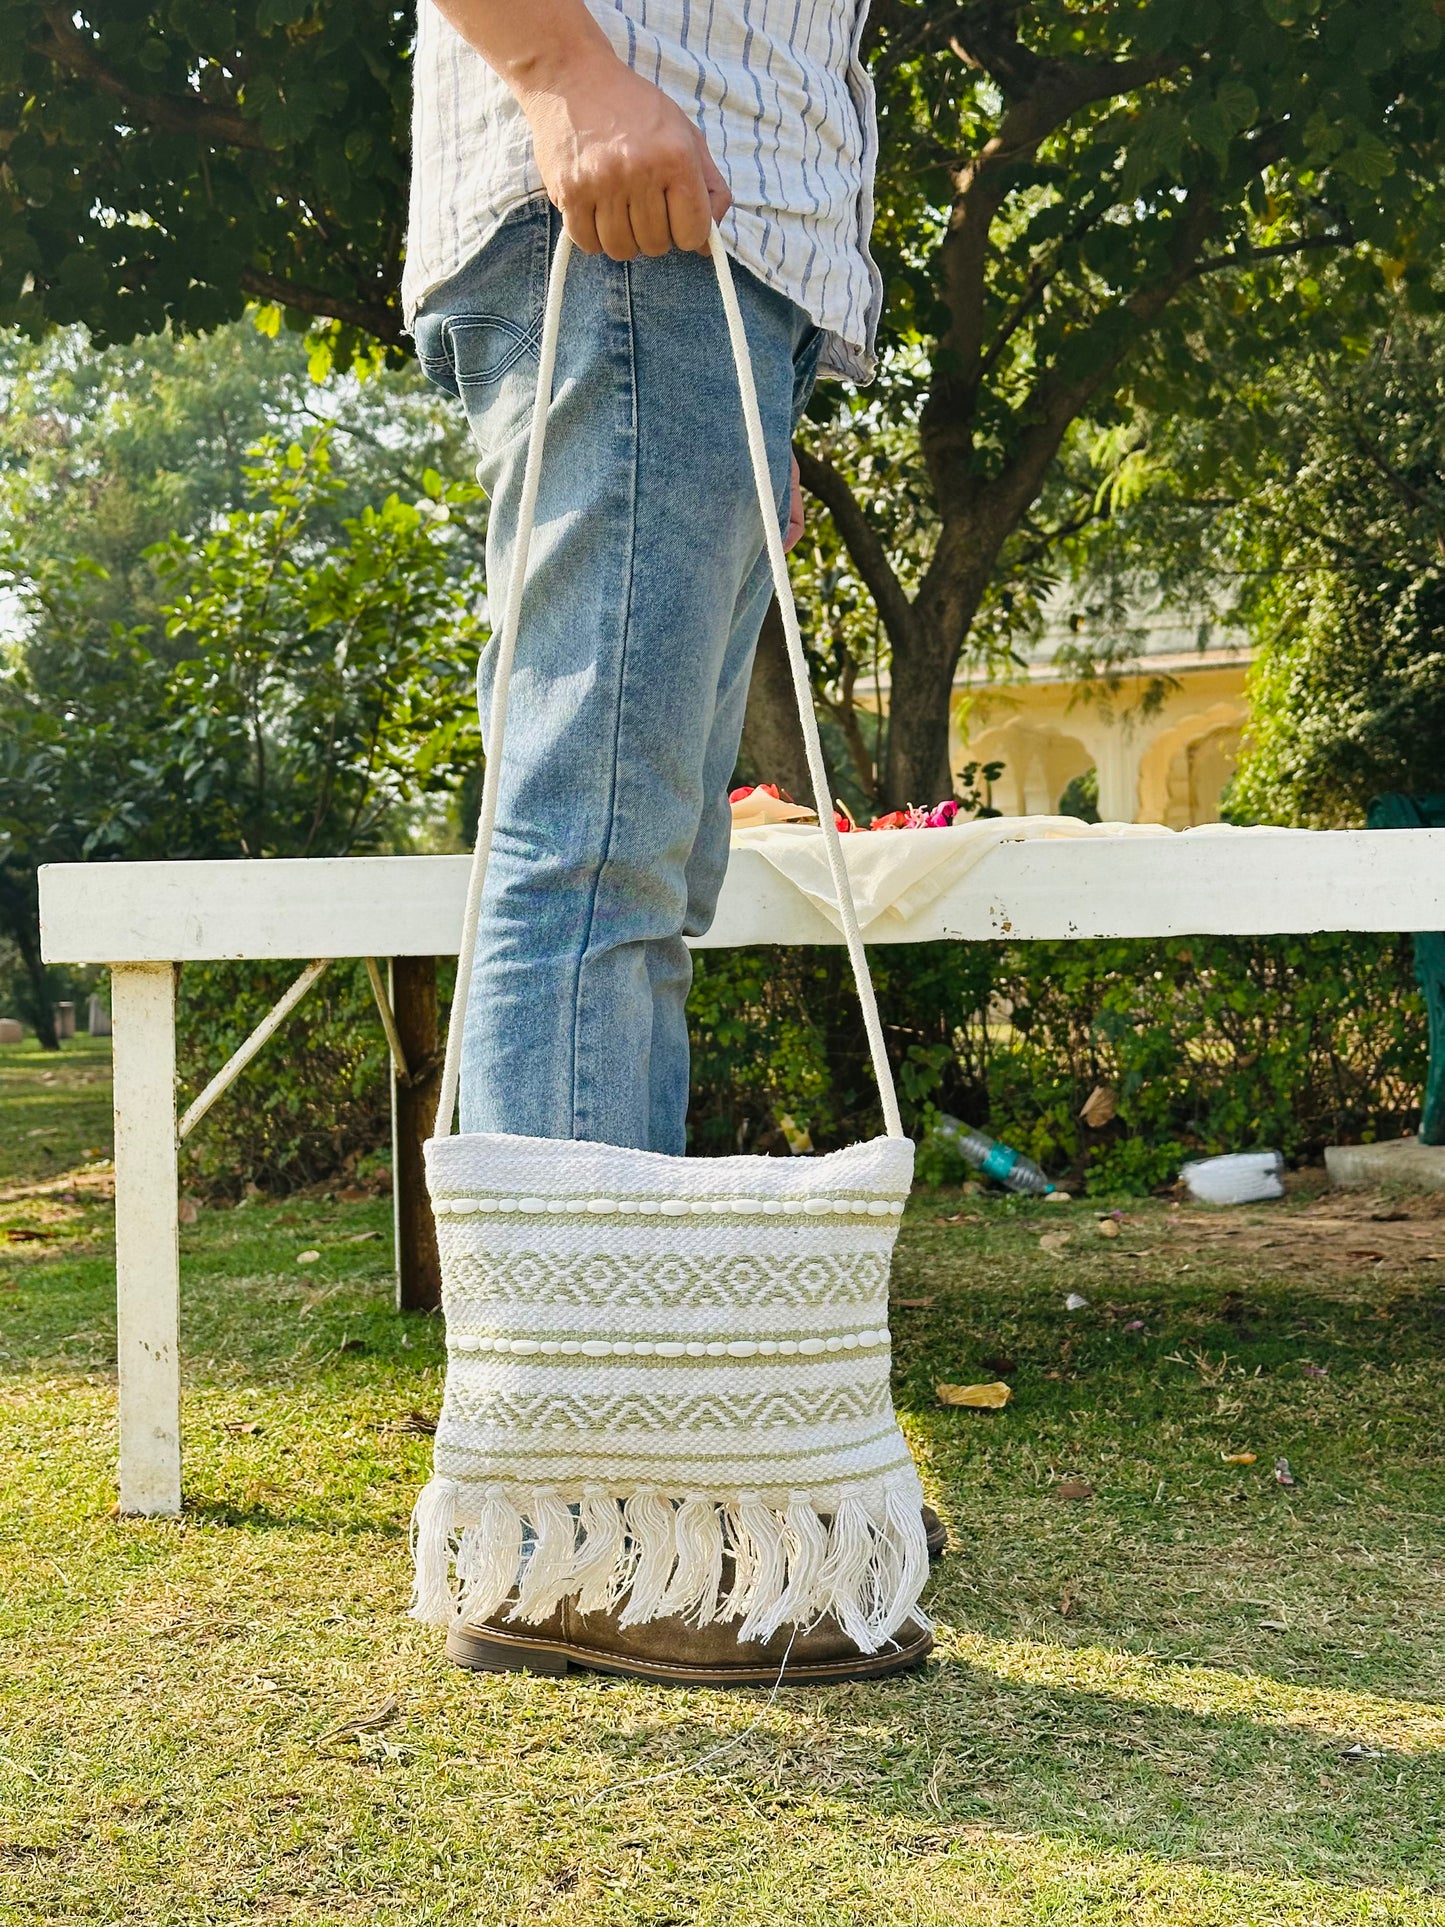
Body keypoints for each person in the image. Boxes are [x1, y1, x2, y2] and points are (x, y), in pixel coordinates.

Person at [407, 0, 936, 1682]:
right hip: (636, 205)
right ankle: (584, 1522)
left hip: (708, 260)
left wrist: (751, 384)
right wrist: (567, 69)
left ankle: (616, 1487)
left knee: (636, 869)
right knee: (595, 860)